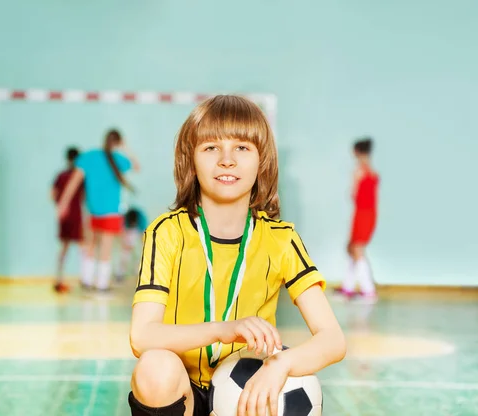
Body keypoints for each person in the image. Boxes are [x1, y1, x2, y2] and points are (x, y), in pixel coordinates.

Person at [128, 95, 346, 416]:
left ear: (262, 161)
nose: (226, 160)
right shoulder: (167, 232)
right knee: (155, 367)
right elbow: (142, 336)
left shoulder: (281, 239)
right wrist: (224, 329)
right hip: (183, 392)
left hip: (244, 393)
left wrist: (280, 364)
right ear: (191, 160)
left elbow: (333, 340)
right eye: (211, 147)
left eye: (242, 147)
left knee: (284, 381)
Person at [57, 129, 139, 292]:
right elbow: (136, 166)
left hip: (92, 211)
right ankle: (101, 285)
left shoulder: (88, 157)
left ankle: (87, 281)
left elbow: (73, 183)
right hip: (111, 212)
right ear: (118, 143)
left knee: (90, 246)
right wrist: (126, 147)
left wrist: (63, 203)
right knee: (106, 248)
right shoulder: (118, 158)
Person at [336, 137, 380, 301]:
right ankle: (348, 287)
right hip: (368, 214)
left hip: (362, 213)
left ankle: (368, 290)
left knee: (357, 249)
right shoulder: (371, 171)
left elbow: (353, 195)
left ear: (357, 152)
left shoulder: (359, 171)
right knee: (353, 249)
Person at [51, 147, 85, 293]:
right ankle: (86, 280)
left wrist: (60, 206)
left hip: (64, 216)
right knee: (84, 246)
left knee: (64, 248)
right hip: (76, 215)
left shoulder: (61, 175)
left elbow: (53, 194)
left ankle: (59, 279)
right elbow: (83, 195)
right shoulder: (80, 176)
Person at [115, 207, 148, 281]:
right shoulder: (125, 219)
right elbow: (122, 233)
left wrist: (143, 246)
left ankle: (138, 274)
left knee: (138, 254)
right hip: (128, 235)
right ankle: (120, 273)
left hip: (138, 234)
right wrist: (125, 244)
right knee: (124, 255)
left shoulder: (142, 220)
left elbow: (143, 235)